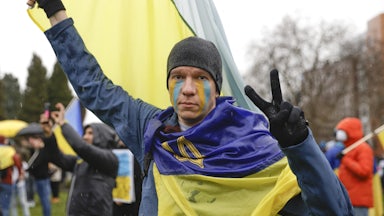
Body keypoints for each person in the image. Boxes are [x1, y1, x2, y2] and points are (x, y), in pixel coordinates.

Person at [26, 0, 353, 215]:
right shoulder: (150, 128)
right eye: (178, 76)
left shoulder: (256, 141)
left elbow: (334, 211)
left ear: (217, 86)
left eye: (201, 77)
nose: (188, 88)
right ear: (168, 84)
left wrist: (300, 145)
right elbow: (93, 86)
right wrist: (57, 13)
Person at [334, 117, 374, 216]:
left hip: (358, 201)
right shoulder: (349, 149)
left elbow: (364, 171)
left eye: (343, 130)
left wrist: (345, 160)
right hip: (348, 199)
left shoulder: (363, 148)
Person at [0, 135, 24, 216]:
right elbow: (16, 160)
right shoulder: (9, 150)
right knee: (5, 206)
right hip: (7, 180)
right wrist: (20, 173)